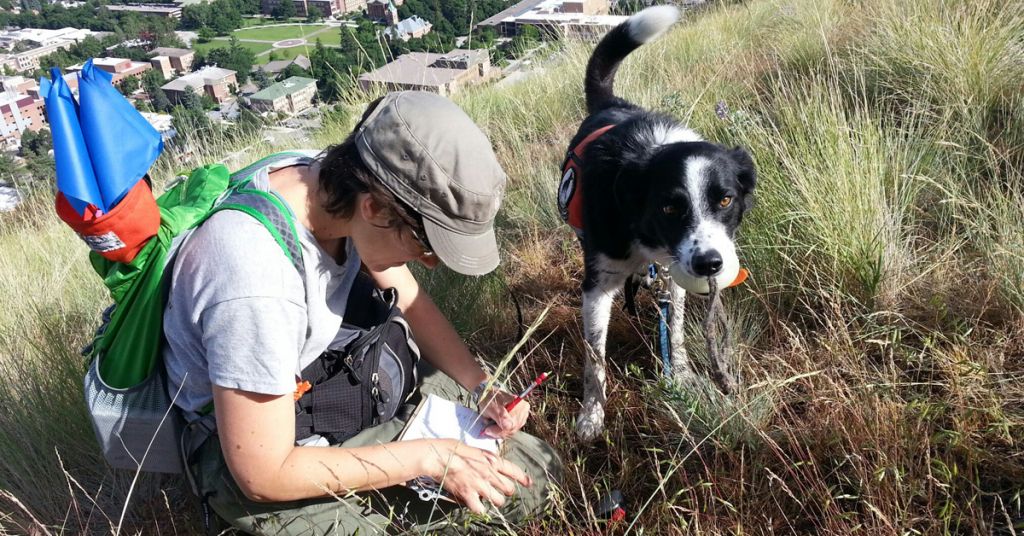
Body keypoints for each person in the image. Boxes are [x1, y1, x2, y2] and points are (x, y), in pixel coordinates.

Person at [162, 91, 563, 534]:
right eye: (427, 245)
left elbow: (410, 300)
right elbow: (262, 473)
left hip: (321, 386)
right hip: (255, 448)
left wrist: (482, 386)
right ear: (374, 208)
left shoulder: (330, 182)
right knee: (504, 496)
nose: (429, 263)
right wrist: (427, 459)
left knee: (534, 476)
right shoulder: (254, 281)